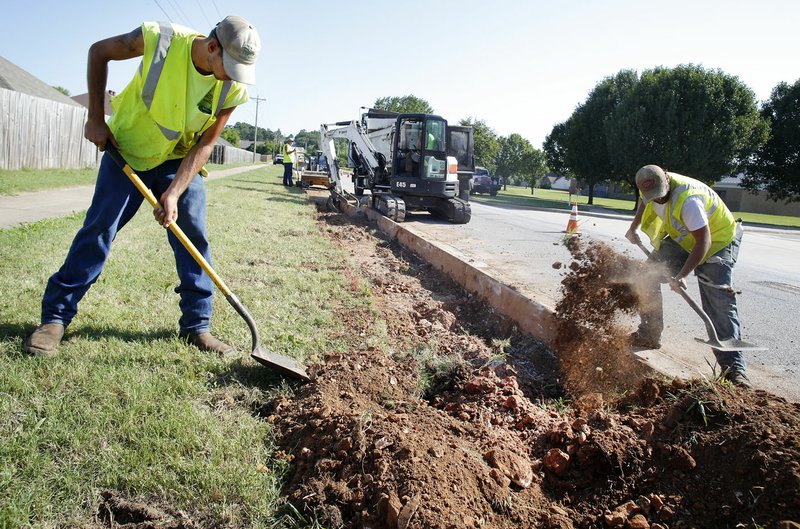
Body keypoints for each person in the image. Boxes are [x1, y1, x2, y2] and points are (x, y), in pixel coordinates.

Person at [23, 16, 261, 357]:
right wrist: (94, 117)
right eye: (232, 66)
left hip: (176, 161)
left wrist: (175, 191)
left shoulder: (233, 88)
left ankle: (197, 326)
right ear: (212, 48)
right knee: (99, 231)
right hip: (128, 152)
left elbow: (207, 144)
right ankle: (55, 318)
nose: (235, 78)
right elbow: (98, 52)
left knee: (192, 235)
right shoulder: (162, 40)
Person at [625, 165, 749, 387]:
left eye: (660, 197)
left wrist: (683, 275)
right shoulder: (652, 188)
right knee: (646, 276)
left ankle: (735, 371)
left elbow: (704, 242)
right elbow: (645, 201)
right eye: (652, 197)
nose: (658, 201)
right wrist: (633, 227)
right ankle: (650, 334)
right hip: (684, 238)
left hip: (718, 241)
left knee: (718, 299)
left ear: (666, 181)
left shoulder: (688, 200)